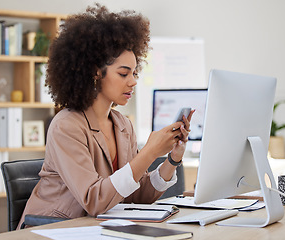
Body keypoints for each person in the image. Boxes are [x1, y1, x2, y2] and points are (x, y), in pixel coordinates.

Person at [18, 4, 194, 229]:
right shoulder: (66, 126)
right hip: (52, 229)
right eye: (123, 73)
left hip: (96, 229)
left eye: (134, 73)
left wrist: (172, 158)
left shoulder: (123, 125)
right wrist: (150, 152)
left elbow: (136, 195)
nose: (133, 81)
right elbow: (94, 200)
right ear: (95, 71)